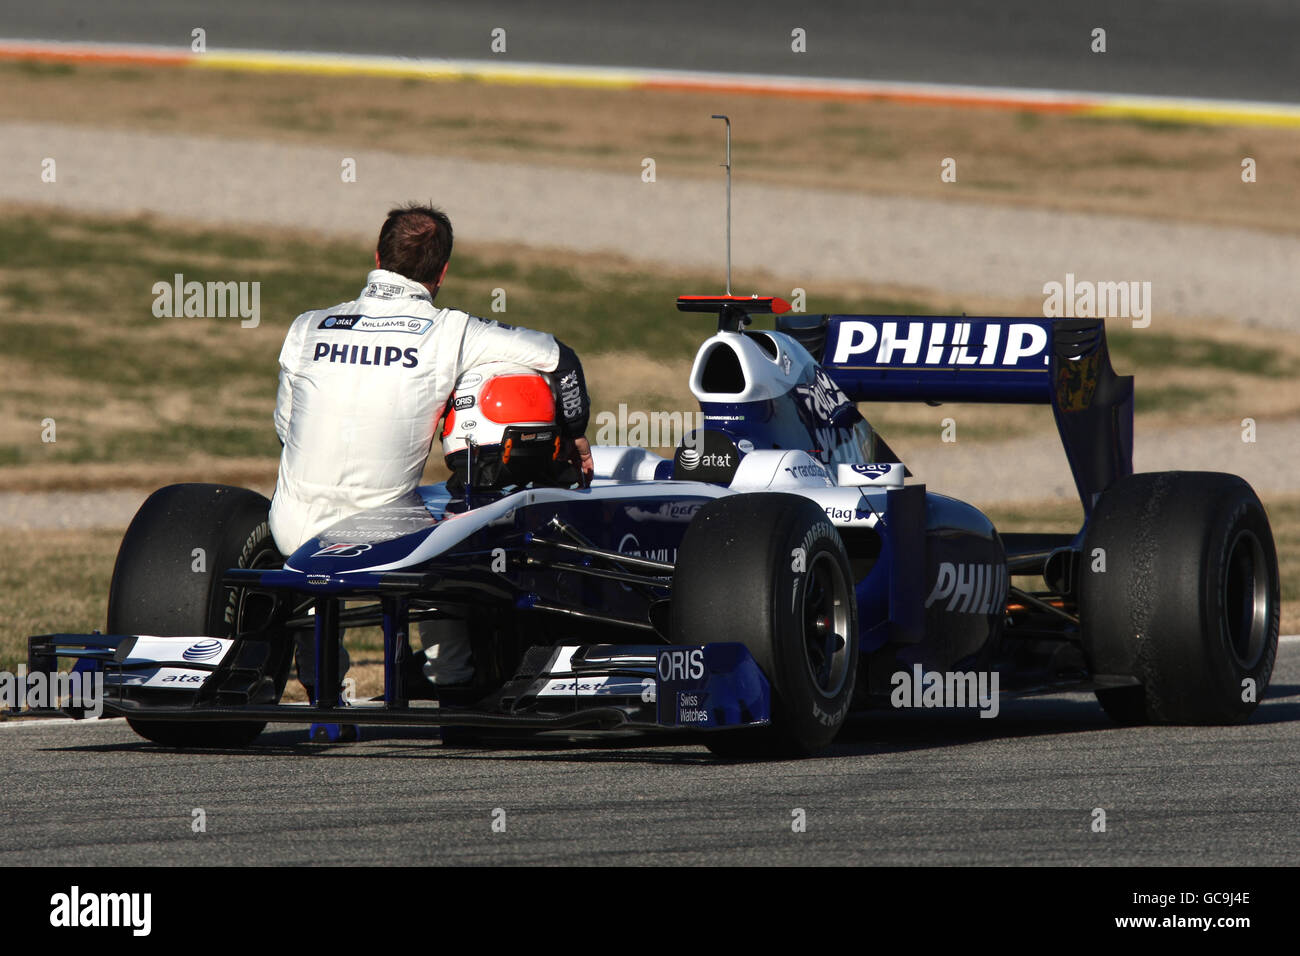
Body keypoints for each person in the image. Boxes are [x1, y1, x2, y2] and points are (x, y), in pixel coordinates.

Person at [269, 203, 593, 697]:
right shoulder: (453, 331)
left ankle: (322, 690)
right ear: (441, 273)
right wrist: (574, 436)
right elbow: (562, 360)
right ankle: (454, 684)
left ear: (377, 256)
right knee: (462, 528)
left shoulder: (306, 327)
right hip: (386, 541)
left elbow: (284, 429)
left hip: (291, 530)